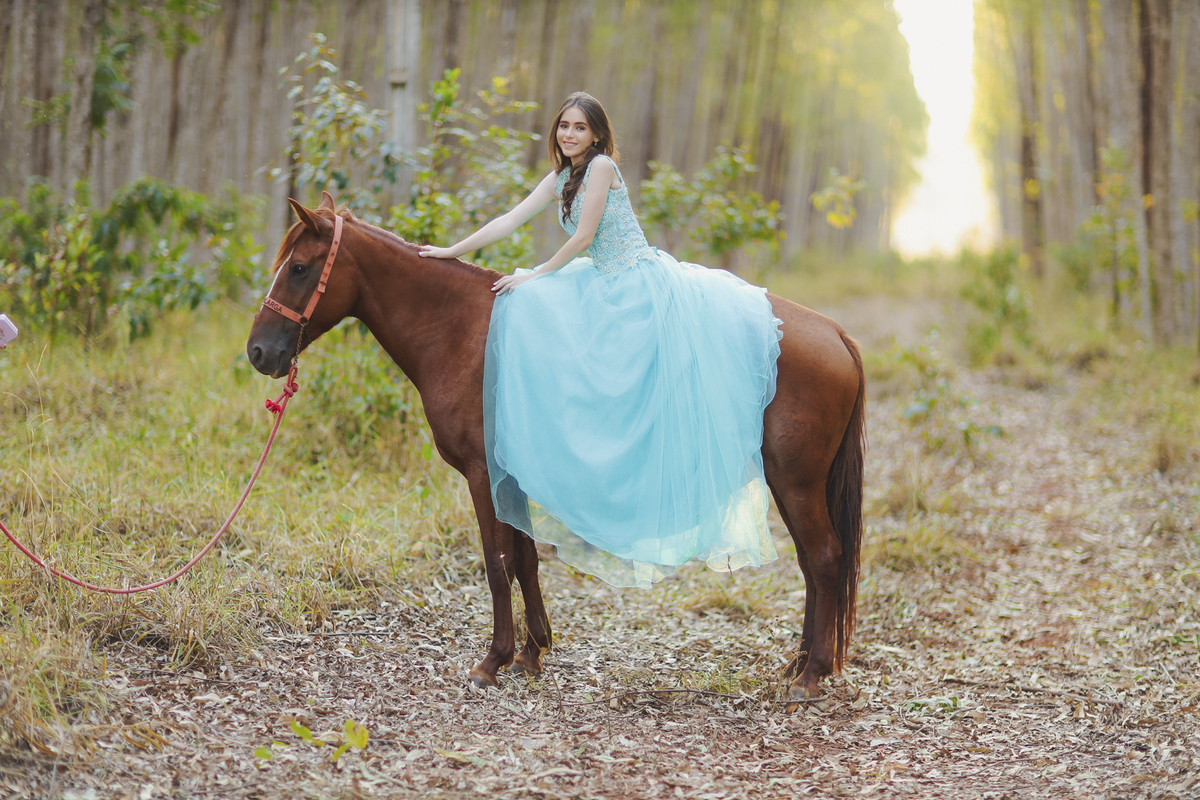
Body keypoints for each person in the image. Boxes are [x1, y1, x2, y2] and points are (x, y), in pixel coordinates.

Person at [418, 92, 783, 588]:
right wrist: (451, 252)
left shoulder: (603, 168)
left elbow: (585, 237)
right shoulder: (560, 178)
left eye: (580, 128)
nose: (569, 134)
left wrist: (537, 274)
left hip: (635, 282)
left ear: (597, 135)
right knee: (527, 308)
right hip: (600, 281)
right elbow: (509, 220)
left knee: (541, 305)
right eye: (564, 125)